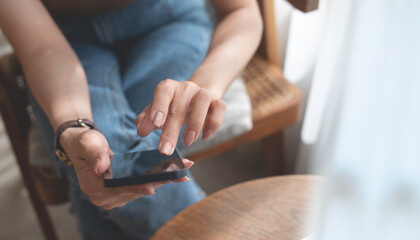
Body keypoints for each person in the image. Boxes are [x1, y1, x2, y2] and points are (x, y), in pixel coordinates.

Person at [0, 0, 262, 239]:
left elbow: (241, 11)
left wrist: (205, 87)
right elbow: (41, 48)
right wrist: (74, 127)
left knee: (105, 173)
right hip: (59, 39)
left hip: (169, 18)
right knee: (97, 157)